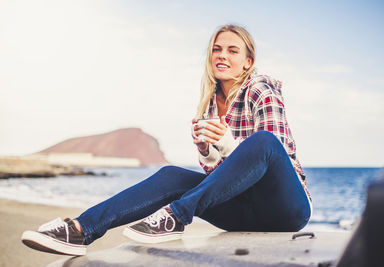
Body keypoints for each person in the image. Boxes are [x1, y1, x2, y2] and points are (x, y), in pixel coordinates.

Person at [21, 24, 312, 256]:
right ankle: (81, 230)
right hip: (244, 212)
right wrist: (208, 153)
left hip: (285, 210)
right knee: (171, 175)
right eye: (216, 49)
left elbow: (274, 155)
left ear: (248, 62)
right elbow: (220, 182)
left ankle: (175, 216)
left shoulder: (261, 90)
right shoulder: (210, 105)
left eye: (232, 51)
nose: (222, 55)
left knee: (262, 141)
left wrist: (225, 143)